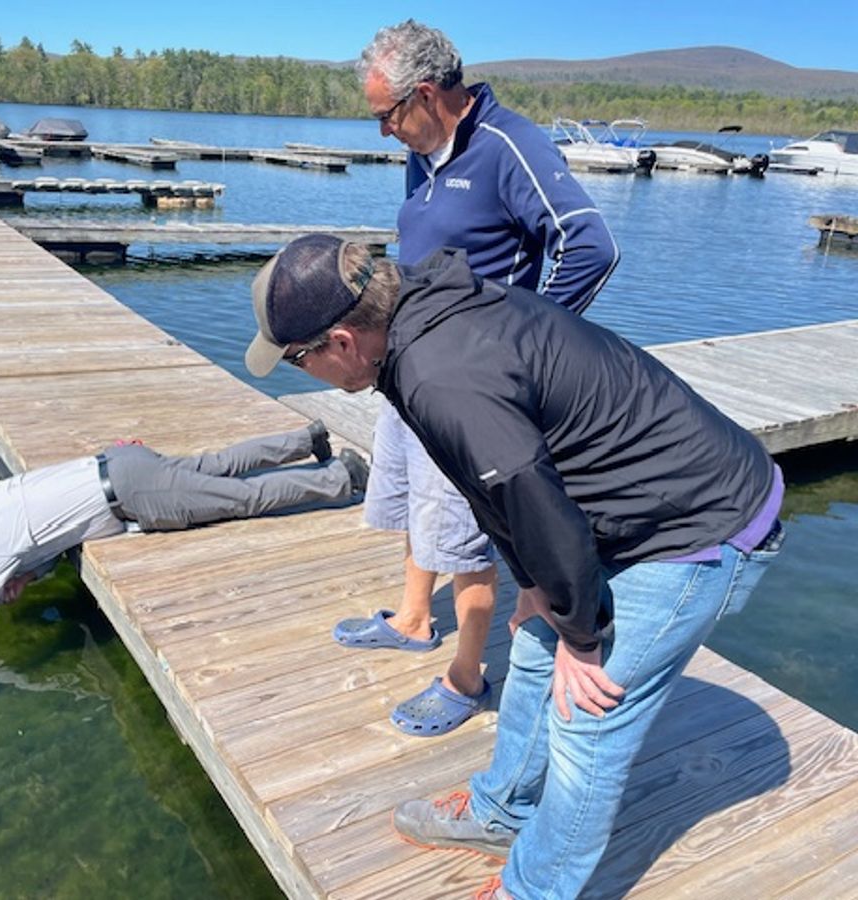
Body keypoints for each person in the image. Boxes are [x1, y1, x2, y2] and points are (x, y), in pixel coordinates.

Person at [245, 234, 783, 900]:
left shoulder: (442, 371)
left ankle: (535, 890)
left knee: (588, 719)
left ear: (341, 342)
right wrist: (534, 587)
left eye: (298, 360)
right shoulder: (415, 322)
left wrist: (583, 639)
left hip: (699, 524)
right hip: (623, 512)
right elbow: (489, 485)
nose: (301, 370)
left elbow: (530, 495)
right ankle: (501, 814)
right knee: (531, 649)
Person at [335, 20, 619, 737]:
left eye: (386, 117)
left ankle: (466, 676)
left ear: (427, 94)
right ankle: (410, 618)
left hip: (471, 382)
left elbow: (589, 244)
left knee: (463, 527)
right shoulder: (423, 149)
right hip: (412, 365)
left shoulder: (508, 146)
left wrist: (526, 344)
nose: (383, 134)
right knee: (410, 500)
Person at [0, 423, 368, 707]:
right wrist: (26, 574)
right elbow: (40, 529)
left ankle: (342, 476)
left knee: (239, 498)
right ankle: (306, 439)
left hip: (132, 494)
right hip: (120, 463)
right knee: (218, 465)